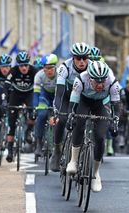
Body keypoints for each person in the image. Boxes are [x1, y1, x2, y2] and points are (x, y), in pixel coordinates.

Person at [66, 61, 120, 192]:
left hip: (101, 104)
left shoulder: (112, 82)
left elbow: (116, 106)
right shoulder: (81, 79)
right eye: (97, 82)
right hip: (84, 101)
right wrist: (71, 116)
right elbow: (73, 102)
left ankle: (96, 173)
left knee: (100, 136)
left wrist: (115, 122)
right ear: (90, 78)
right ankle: (73, 160)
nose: (100, 85)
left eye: (103, 81)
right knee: (79, 124)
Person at [50, 42, 91, 172]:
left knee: (84, 122)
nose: (82, 61)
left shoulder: (93, 68)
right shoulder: (64, 68)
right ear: (73, 58)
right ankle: (57, 151)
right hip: (67, 98)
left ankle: (84, 155)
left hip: (84, 99)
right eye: (78, 58)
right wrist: (57, 110)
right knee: (61, 121)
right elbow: (59, 92)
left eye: (85, 57)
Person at [2, 51, 38, 163]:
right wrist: (4, 100)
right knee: (11, 123)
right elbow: (6, 86)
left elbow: (39, 87)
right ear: (18, 65)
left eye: (26, 65)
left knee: (33, 113)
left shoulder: (34, 71)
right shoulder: (13, 71)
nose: (24, 68)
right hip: (16, 95)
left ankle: (29, 131)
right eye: (21, 65)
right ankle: (10, 151)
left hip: (29, 94)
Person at [33, 54, 58, 157]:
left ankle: (58, 145)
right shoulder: (39, 76)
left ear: (55, 67)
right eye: (46, 68)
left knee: (59, 118)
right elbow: (36, 94)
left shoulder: (61, 74)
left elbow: (62, 94)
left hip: (57, 95)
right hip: (45, 96)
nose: (49, 70)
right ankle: (39, 144)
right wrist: (35, 108)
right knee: (42, 115)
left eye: (51, 68)